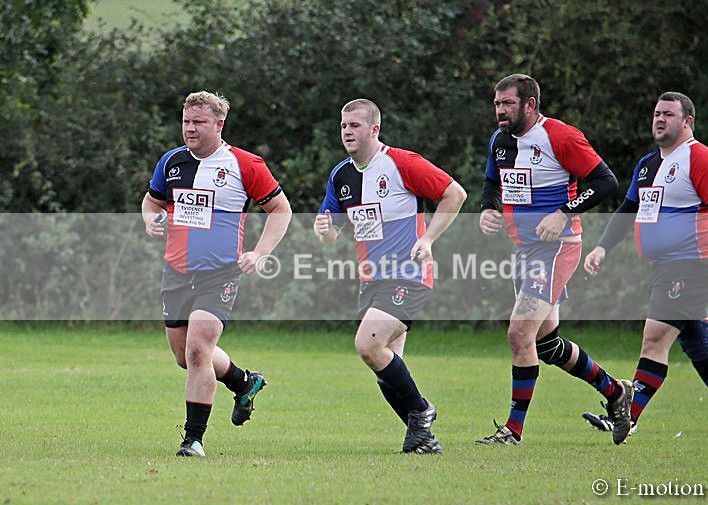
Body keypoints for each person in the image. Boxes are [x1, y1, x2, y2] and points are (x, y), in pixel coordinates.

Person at [582, 91, 708, 435]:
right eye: (656, 114)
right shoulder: (648, 164)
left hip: (692, 266)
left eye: (668, 114)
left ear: (687, 121)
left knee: (655, 339)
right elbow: (627, 211)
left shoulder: (702, 159)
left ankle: (625, 417)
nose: (659, 119)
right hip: (664, 268)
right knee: (699, 346)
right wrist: (602, 247)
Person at [476, 73, 633, 446]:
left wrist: (564, 211)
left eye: (508, 103)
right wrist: (488, 208)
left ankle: (512, 432)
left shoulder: (560, 136)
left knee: (519, 332)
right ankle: (615, 393)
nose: (500, 111)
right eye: (497, 103)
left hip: (557, 247)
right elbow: (491, 183)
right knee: (546, 345)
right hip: (524, 250)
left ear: (530, 104)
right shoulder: (500, 141)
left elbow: (606, 182)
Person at [142, 91, 292, 457]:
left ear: (218, 124)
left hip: (219, 274)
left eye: (198, 122)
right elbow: (152, 201)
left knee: (198, 350)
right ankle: (243, 382)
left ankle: (193, 439)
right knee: (186, 356)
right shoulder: (172, 162)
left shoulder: (244, 163)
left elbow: (281, 210)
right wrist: (150, 219)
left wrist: (260, 252)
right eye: (186, 121)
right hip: (176, 272)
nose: (190, 129)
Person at [314, 98, 466, 454]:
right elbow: (331, 231)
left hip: (409, 273)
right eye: (343, 126)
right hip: (371, 279)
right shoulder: (341, 175)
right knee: (386, 368)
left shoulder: (401, 163)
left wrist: (428, 239)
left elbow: (454, 194)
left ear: (374, 129)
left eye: (354, 125)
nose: (347, 132)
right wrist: (323, 229)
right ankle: (423, 440)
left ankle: (421, 411)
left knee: (368, 344)